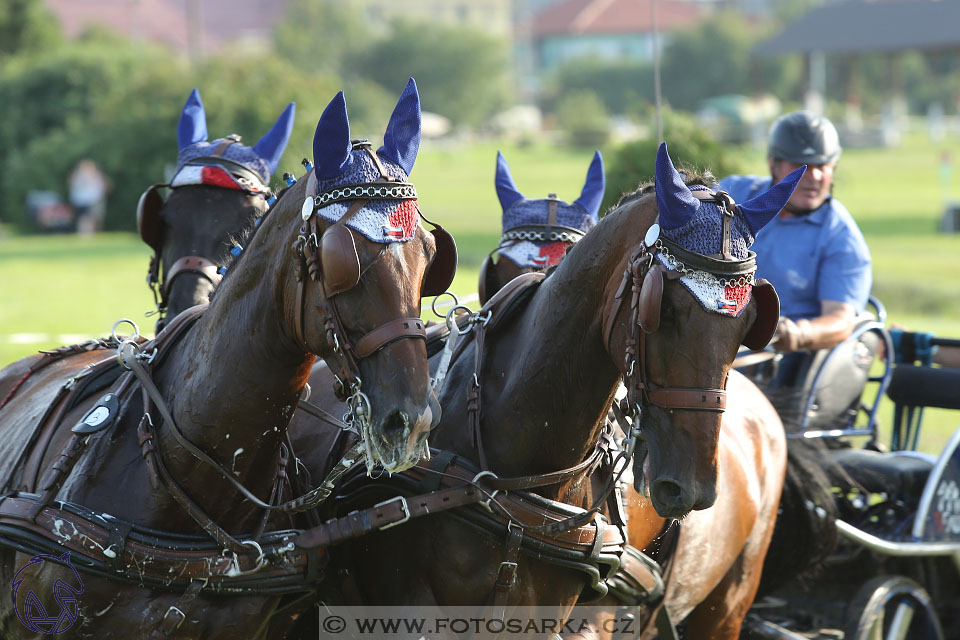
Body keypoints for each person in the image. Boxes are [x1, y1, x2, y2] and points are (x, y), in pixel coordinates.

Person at [721, 111, 872, 358]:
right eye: (802, 167)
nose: (814, 177)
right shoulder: (734, 194)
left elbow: (841, 319)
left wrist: (798, 333)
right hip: (712, 340)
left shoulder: (841, 237)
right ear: (773, 165)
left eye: (823, 166)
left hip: (779, 361)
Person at [68, 159, 110, 234]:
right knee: (84, 218)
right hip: (82, 201)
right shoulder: (77, 176)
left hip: (93, 200)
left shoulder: (96, 176)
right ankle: (85, 233)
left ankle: (91, 233)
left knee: (93, 218)